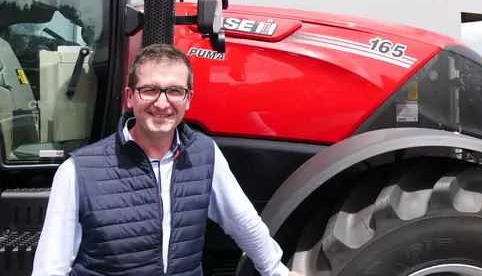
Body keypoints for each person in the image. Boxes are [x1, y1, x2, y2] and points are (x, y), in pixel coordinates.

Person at [32, 43, 306, 276]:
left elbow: (244, 222)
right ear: (130, 98)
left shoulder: (205, 154)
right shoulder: (78, 171)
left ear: (188, 100)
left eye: (175, 91)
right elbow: (50, 268)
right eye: (150, 90)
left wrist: (276, 271)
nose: (162, 103)